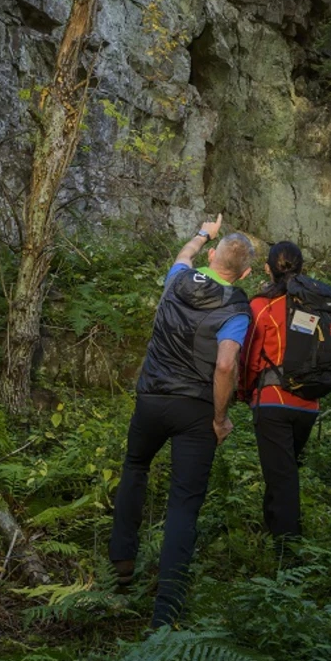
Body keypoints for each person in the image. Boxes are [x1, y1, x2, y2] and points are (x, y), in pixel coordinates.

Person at [110, 214, 252, 628]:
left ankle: (122, 561)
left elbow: (183, 254)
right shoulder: (236, 307)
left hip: (152, 398)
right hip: (195, 412)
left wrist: (204, 231)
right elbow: (226, 365)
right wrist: (221, 419)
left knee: (135, 465)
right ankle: (166, 610)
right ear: (244, 273)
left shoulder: (177, 279)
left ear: (211, 255)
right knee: (184, 505)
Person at [239, 241, 321, 548]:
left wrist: (244, 393)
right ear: (302, 269)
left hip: (273, 401)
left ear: (268, 269)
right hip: (309, 404)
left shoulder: (261, 306)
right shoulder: (314, 304)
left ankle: (288, 556)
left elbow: (248, 356)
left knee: (282, 477)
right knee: (282, 471)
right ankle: (273, 535)